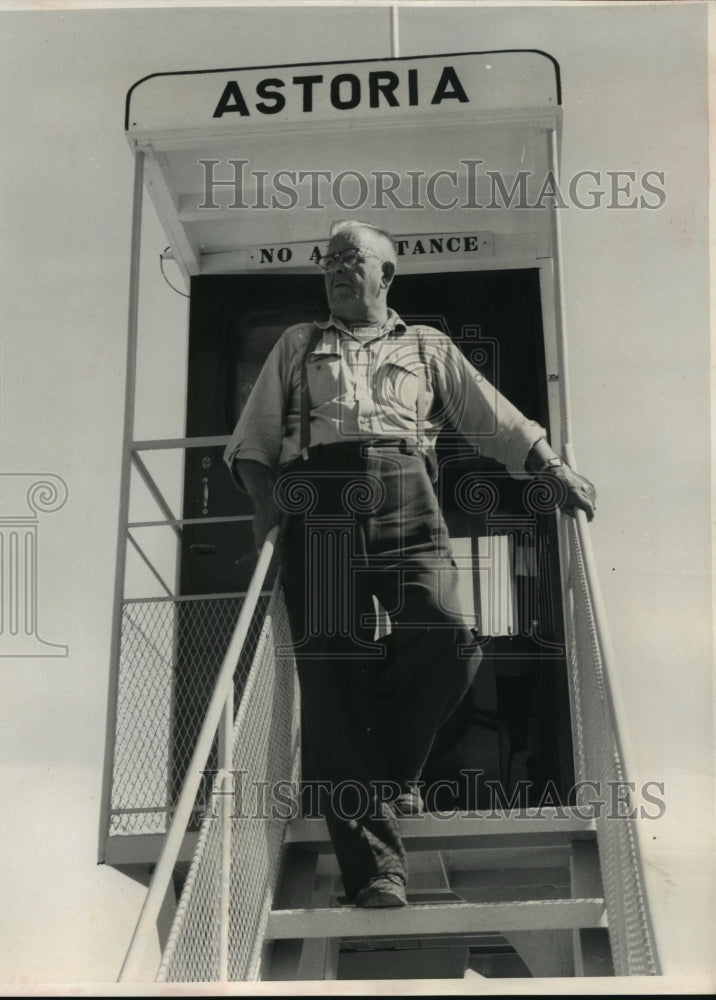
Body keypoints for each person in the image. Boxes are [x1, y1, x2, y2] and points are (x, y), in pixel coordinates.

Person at [224, 219, 596, 908]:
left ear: (386, 275)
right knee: (335, 673)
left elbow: (494, 418)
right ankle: (375, 873)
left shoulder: (426, 347)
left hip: (405, 492)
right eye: (327, 259)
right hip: (320, 503)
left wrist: (552, 469)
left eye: (350, 259)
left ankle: (390, 768)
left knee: (450, 636)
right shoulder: (298, 344)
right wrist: (264, 504)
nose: (336, 269)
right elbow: (252, 445)